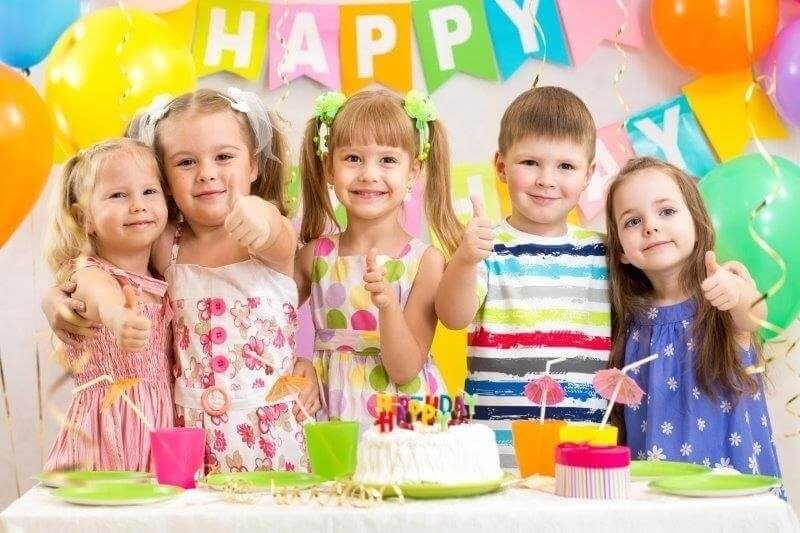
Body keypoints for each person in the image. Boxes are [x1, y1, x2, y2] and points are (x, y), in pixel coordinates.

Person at [436, 87, 609, 469]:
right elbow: (452, 316)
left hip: (583, 455)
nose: (546, 179)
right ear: (501, 166)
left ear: (589, 174)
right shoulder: (485, 247)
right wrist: (464, 260)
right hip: (495, 458)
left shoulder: (605, 253)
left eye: (566, 166)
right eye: (530, 162)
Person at [605, 156, 783, 496]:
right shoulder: (631, 318)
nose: (650, 227)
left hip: (732, 485)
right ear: (622, 251)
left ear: (698, 223)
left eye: (667, 211)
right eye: (632, 221)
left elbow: (753, 316)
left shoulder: (723, 287)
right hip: (657, 491)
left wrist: (736, 294)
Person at [296, 89, 462, 429]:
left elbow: (404, 369)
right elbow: (266, 323)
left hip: (403, 424)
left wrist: (387, 306)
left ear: (413, 172)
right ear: (329, 168)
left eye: (387, 160)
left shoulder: (425, 262)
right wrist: (300, 363)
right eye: (353, 158)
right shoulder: (315, 256)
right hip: (333, 415)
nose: (369, 174)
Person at [43, 138, 173, 472]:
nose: (138, 205)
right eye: (118, 195)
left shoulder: (163, 278)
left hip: (159, 428)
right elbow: (101, 296)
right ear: (83, 218)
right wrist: (117, 317)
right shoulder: (87, 273)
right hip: (105, 433)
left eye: (149, 191)